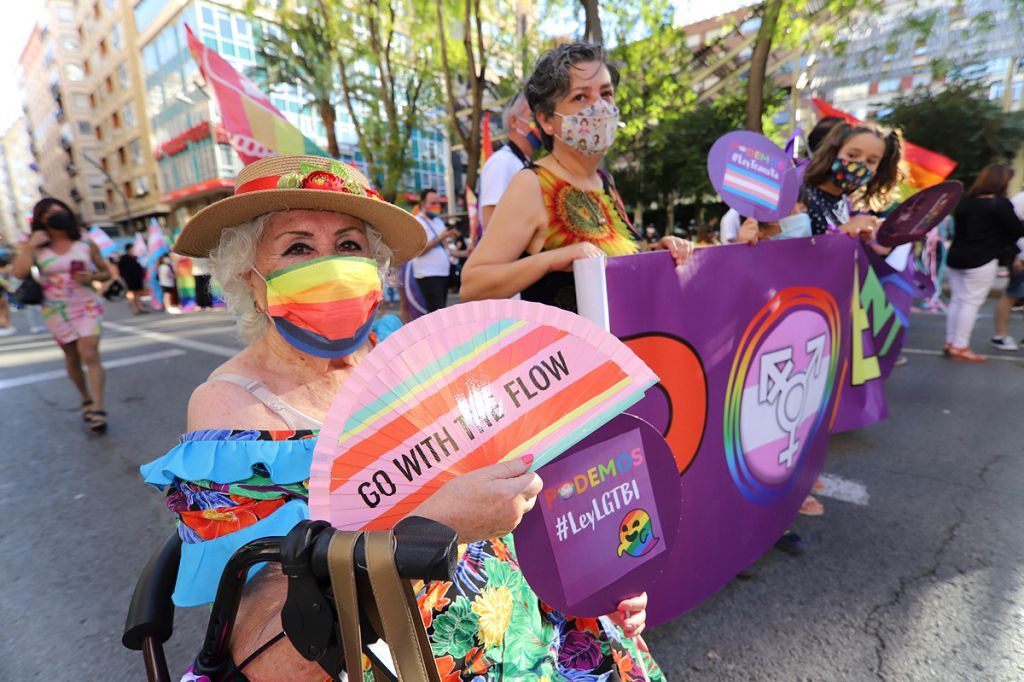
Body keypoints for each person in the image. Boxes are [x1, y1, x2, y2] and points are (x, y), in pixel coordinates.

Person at [139, 155, 658, 681]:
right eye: (298, 247)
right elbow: (271, 657)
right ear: (249, 277)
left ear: (375, 266)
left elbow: (517, 477)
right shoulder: (232, 412)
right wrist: (433, 528)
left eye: (348, 246)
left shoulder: (406, 350)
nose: (332, 266)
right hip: (397, 660)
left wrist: (594, 571)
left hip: (529, 615)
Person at [460, 42, 692, 311]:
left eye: (606, 93)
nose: (600, 107)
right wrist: (553, 259)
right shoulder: (532, 184)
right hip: (565, 351)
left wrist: (658, 252)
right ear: (547, 120)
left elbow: (614, 261)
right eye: (580, 97)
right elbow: (472, 286)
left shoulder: (604, 182)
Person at [11, 198, 112, 432]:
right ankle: (85, 397)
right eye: (49, 213)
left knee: (89, 352)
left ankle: (98, 407)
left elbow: (105, 272)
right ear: (40, 219)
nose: (56, 215)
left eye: (60, 211)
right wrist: (29, 247)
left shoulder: (85, 241)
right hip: (56, 309)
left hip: (86, 304)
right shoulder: (35, 245)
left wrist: (93, 278)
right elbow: (17, 273)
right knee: (72, 357)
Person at [946, 164, 1024, 361]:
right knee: (971, 303)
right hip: (981, 259)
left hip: (956, 257)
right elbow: (1015, 231)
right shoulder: (1000, 204)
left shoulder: (967, 202)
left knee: (957, 300)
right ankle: (960, 346)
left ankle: (951, 342)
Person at [800, 121, 903, 240]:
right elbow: (792, 250)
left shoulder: (842, 203)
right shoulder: (801, 197)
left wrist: (856, 238)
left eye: (871, 161)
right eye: (852, 155)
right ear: (833, 153)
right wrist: (843, 231)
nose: (860, 165)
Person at [478, 92, 542, 231]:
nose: (540, 123)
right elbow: (492, 226)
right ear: (513, 121)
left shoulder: (522, 162)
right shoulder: (502, 163)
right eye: (532, 117)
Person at [411, 187, 458, 313]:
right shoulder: (416, 222)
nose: (437, 206)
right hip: (427, 275)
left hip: (443, 274)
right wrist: (441, 237)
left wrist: (467, 253)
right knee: (437, 313)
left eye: (439, 203)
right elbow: (418, 251)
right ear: (423, 204)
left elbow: (448, 249)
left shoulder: (438, 221)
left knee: (440, 312)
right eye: (433, 203)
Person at [117, 249, 147, 314]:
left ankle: (140, 307)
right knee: (132, 293)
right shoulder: (124, 258)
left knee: (138, 293)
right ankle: (135, 308)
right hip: (129, 279)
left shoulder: (135, 258)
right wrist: (124, 277)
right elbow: (120, 269)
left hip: (137, 278)